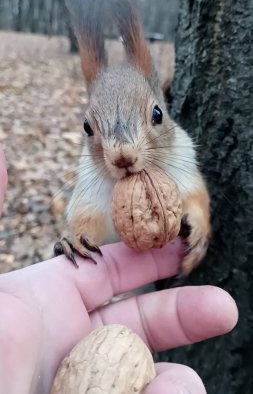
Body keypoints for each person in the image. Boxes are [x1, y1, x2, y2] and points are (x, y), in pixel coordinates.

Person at [0, 145, 238, 394]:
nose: (122, 157)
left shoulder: (178, 150)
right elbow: (85, 217)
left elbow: (193, 194)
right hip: (102, 292)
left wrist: (194, 222)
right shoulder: (92, 172)